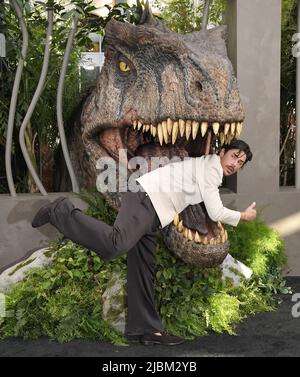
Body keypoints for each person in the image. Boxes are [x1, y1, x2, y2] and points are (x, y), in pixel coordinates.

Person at [32, 139, 256, 346]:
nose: (235, 164)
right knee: (116, 244)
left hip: (155, 210)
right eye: (234, 156)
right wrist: (242, 216)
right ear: (222, 152)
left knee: (143, 269)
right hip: (146, 198)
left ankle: (147, 330)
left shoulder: (208, 166)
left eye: (241, 162)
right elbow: (215, 212)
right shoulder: (212, 169)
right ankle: (61, 211)